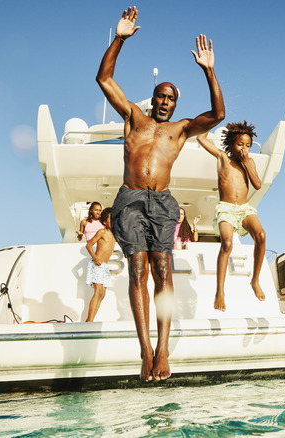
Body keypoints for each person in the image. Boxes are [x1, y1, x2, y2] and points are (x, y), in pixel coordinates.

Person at [96, 6, 225, 381]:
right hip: (131, 198)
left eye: (171, 96)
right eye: (160, 95)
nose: (165, 100)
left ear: (176, 103)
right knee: (137, 268)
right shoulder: (134, 117)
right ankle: (146, 351)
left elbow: (217, 113)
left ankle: (164, 348)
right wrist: (119, 38)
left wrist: (209, 70)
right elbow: (104, 78)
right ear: (153, 99)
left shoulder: (182, 129)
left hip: (163, 202)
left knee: (163, 269)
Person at [196, 123, 266, 311]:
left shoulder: (249, 162)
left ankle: (255, 280)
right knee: (227, 243)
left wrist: (246, 163)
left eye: (248, 145)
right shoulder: (222, 158)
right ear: (231, 144)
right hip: (226, 208)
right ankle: (220, 291)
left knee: (261, 236)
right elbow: (200, 139)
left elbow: (257, 185)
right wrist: (211, 121)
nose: (244, 148)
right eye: (240, 144)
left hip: (243, 208)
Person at [85, 208, 115, 322]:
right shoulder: (102, 232)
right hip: (96, 264)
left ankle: (91, 319)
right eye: (111, 219)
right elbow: (88, 246)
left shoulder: (114, 235)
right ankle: (89, 320)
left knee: (102, 294)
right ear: (104, 222)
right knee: (98, 292)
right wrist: (95, 257)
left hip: (104, 267)